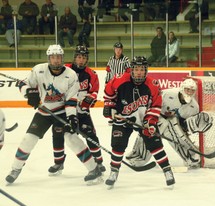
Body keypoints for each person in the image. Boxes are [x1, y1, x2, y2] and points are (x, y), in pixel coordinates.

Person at [5, 44, 102, 184]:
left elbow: (71, 100)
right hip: (44, 111)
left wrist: (72, 117)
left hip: (62, 112)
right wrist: (29, 93)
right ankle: (15, 168)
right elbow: (23, 84)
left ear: (62, 58)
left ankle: (93, 168)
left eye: (58, 57)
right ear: (48, 58)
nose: (56, 60)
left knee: (71, 139)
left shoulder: (71, 75)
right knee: (28, 139)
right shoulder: (38, 70)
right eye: (53, 57)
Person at [103, 56, 175, 189]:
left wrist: (150, 122)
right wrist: (109, 106)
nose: (139, 72)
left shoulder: (152, 84)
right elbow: (108, 93)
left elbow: (155, 106)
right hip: (122, 118)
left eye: (142, 69)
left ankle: (167, 171)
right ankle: (114, 172)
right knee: (118, 146)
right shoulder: (119, 80)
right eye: (136, 69)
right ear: (132, 70)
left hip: (143, 120)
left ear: (146, 70)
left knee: (155, 145)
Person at [126, 78, 213, 169]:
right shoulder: (168, 94)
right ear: (182, 88)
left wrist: (185, 131)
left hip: (174, 124)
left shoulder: (194, 107)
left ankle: (190, 157)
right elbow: (152, 103)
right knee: (148, 135)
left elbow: (186, 124)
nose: (189, 92)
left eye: (192, 91)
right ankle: (137, 157)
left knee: (178, 136)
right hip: (157, 118)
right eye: (187, 89)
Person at [48, 45, 106, 175]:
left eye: (83, 57)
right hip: (64, 111)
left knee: (90, 134)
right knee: (58, 133)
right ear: (75, 58)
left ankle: (98, 161)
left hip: (81, 111)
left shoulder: (91, 74)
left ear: (87, 60)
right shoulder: (65, 69)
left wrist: (89, 99)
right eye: (79, 57)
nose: (81, 60)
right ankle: (58, 162)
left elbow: (94, 91)